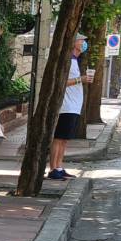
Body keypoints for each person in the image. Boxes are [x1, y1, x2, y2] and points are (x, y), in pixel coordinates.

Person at [48, 35, 88, 181]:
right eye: (81, 40)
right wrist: (80, 79)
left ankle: (59, 166)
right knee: (58, 138)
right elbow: (61, 82)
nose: (84, 43)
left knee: (65, 139)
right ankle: (53, 169)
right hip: (66, 105)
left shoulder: (75, 61)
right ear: (73, 42)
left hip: (74, 106)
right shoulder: (67, 61)